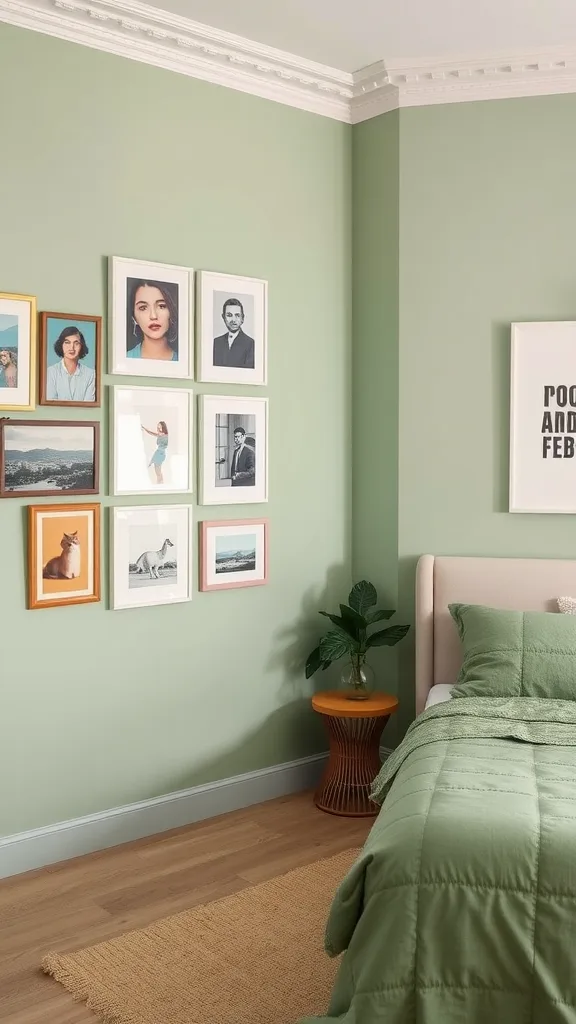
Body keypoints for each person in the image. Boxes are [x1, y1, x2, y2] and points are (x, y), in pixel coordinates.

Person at [127, 279, 178, 361]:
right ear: (134, 317)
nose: (153, 316)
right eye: (143, 308)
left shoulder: (185, 361)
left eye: (161, 306)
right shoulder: (125, 359)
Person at [45, 327, 95, 402]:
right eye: (67, 342)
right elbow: (51, 404)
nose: (72, 347)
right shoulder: (50, 372)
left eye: (76, 343)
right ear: (61, 345)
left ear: (81, 346)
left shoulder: (91, 374)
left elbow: (88, 406)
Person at [213, 298, 255, 369]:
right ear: (223, 317)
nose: (233, 320)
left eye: (237, 315)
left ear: (242, 318)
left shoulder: (250, 343)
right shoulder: (216, 342)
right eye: (229, 315)